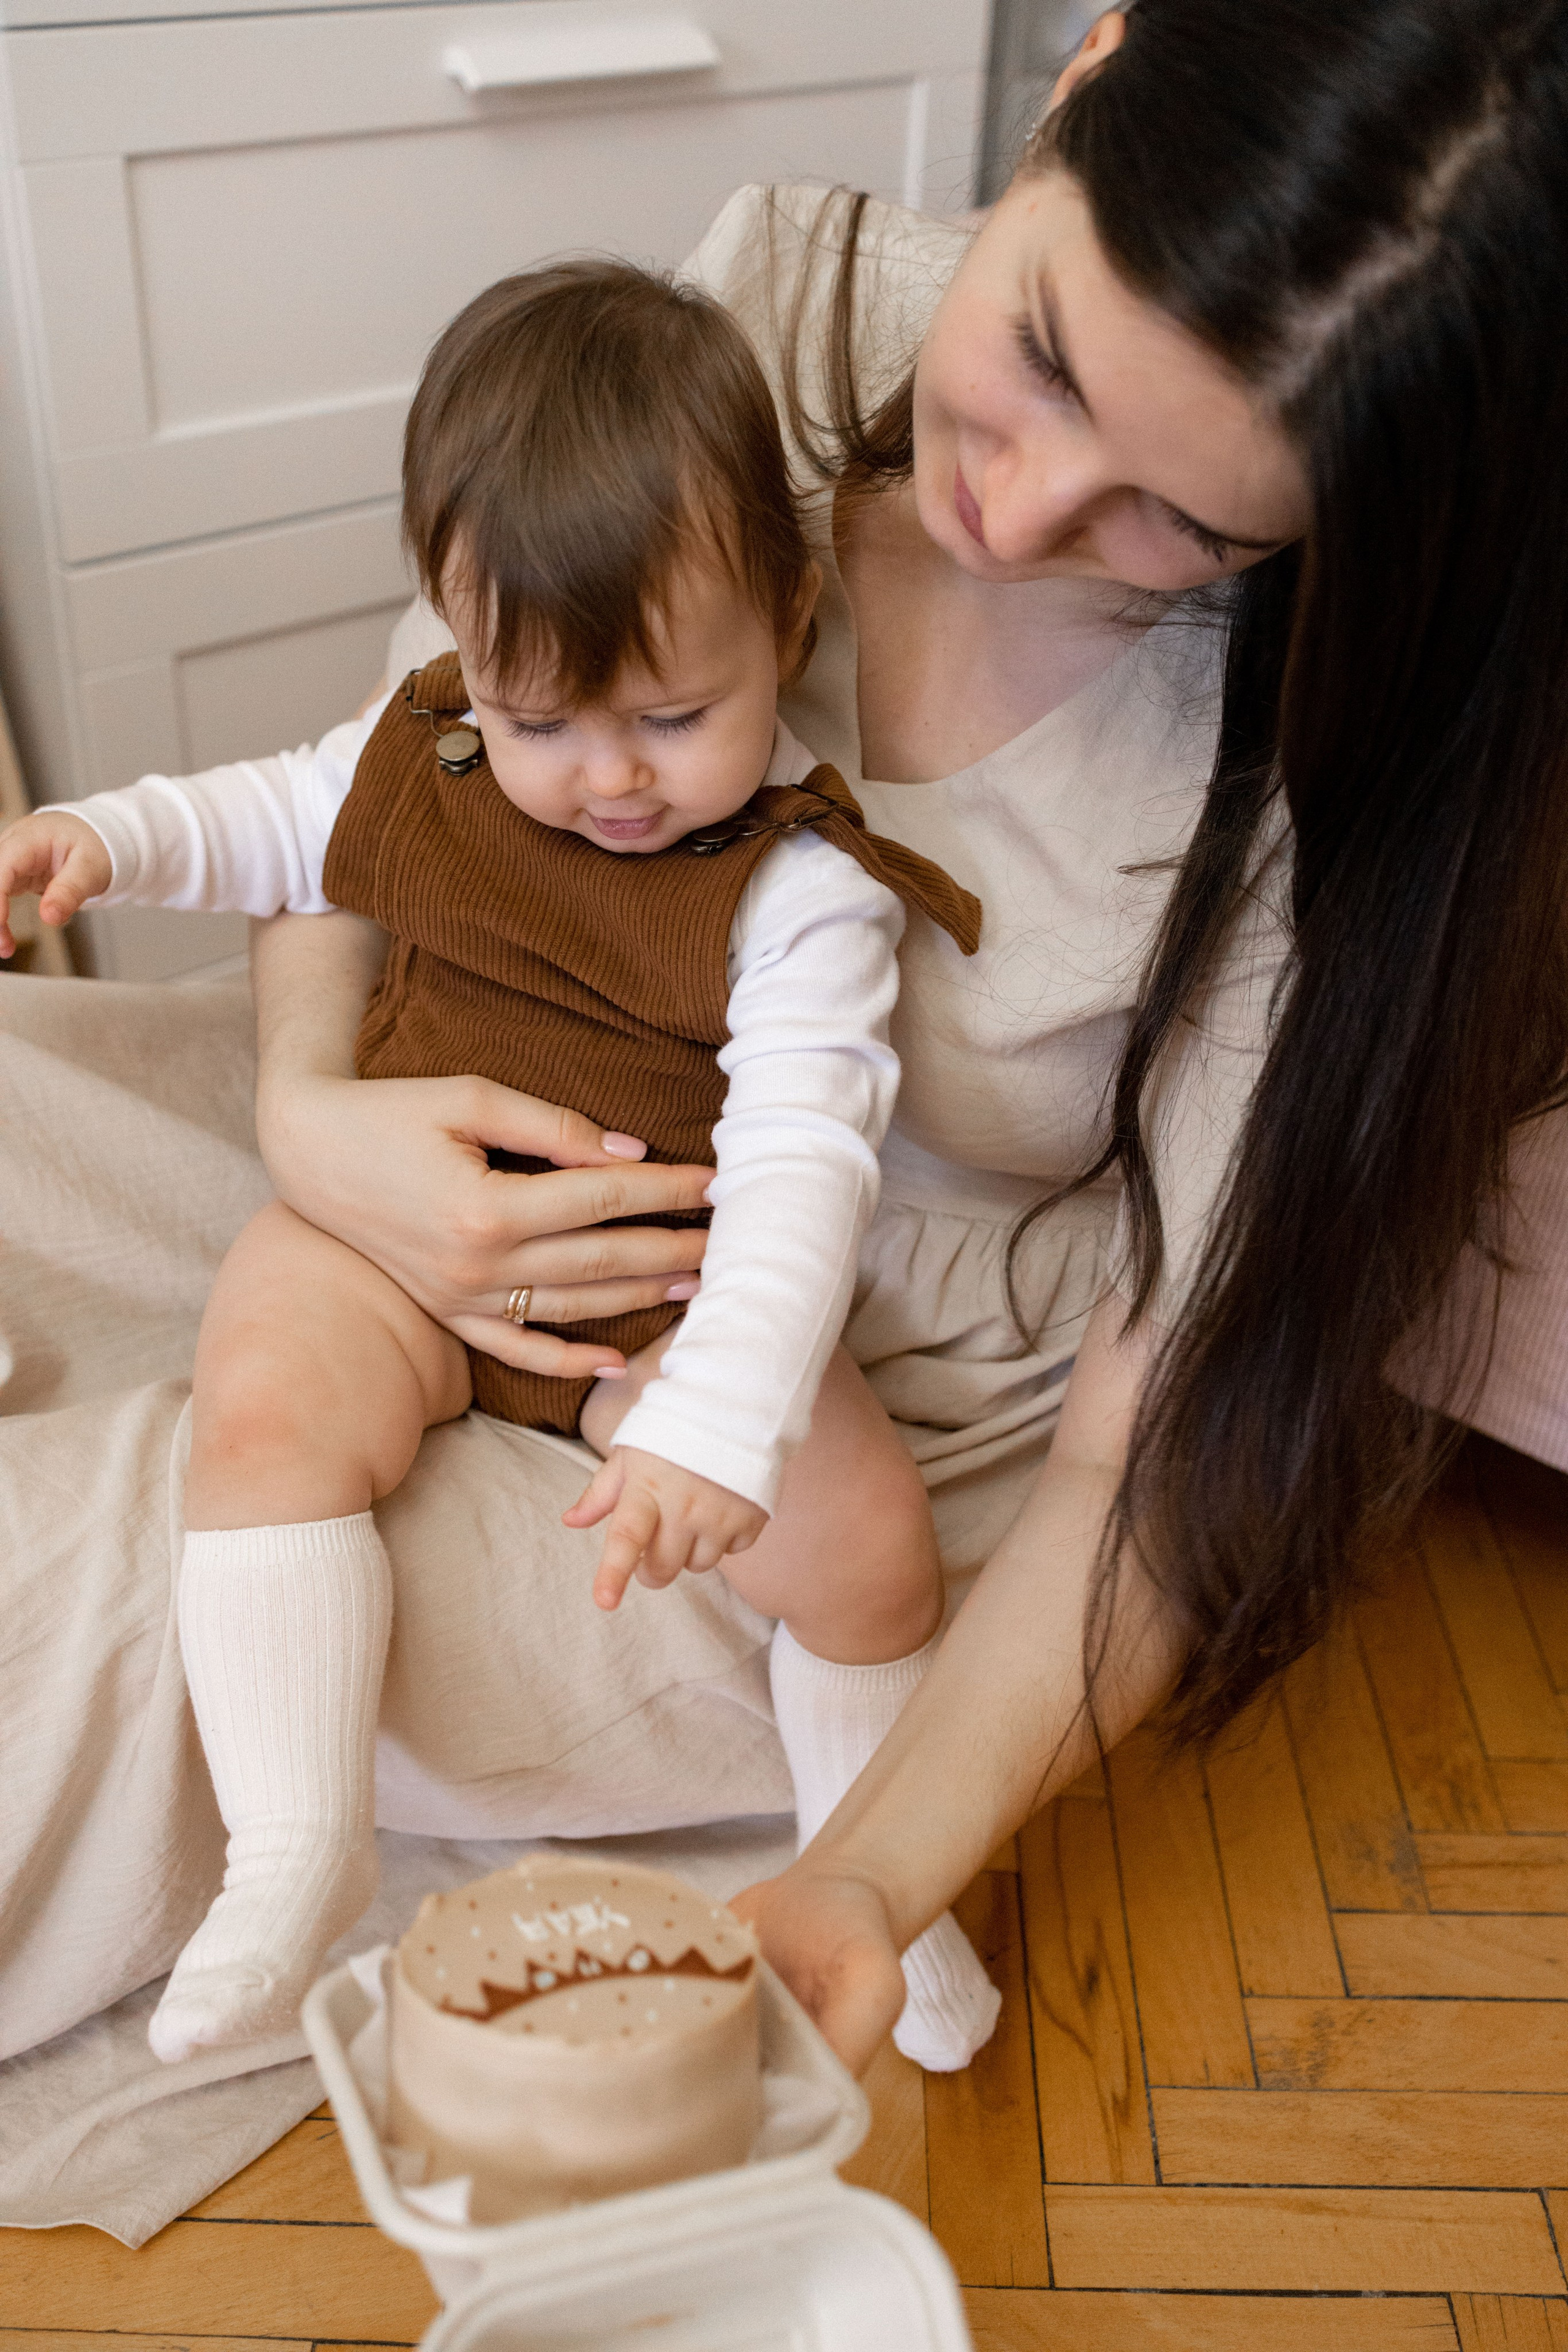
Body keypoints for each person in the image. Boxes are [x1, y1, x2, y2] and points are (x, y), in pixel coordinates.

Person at [1, 0, 1563, 2086]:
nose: (1011, 512)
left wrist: (872, 1874)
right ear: (1082, 76)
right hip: (446, 1066)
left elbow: (1154, 1442)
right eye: (1042, 359)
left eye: (1181, 524)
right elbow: (404, 760)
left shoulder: (1306, 779)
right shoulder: (782, 304)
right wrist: (317, 1119)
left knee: (92, 1600)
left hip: (826, 1376)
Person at [0, 260, 987, 2066]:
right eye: (545, 722)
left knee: (869, 1545)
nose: (608, 776)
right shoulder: (431, 740)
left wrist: (717, 1418)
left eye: (674, 717)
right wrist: (97, 839)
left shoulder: (802, 888)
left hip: (654, 1292)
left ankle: (884, 1886)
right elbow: (258, 815)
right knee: (262, 1394)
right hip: (394, 1245)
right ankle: (296, 1844)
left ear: (790, 613)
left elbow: (799, 1176)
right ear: (458, 638)